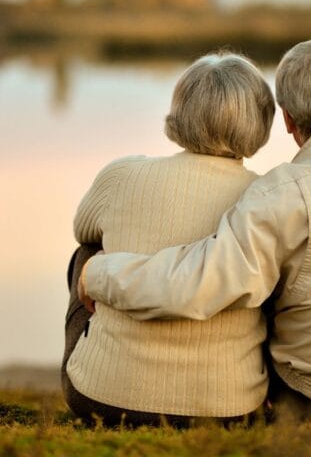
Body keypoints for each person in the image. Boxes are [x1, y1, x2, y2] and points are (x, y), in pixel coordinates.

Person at [79, 39, 311, 417]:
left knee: (87, 253)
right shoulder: (270, 190)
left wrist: (97, 271)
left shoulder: (284, 194)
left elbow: (197, 285)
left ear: (288, 118)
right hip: (269, 392)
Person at [62, 52, 276, 427]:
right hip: (229, 407)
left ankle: (108, 360)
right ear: (261, 120)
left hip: (102, 398)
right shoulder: (266, 197)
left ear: (180, 111)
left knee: (87, 253)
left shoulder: (122, 174)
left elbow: (83, 229)